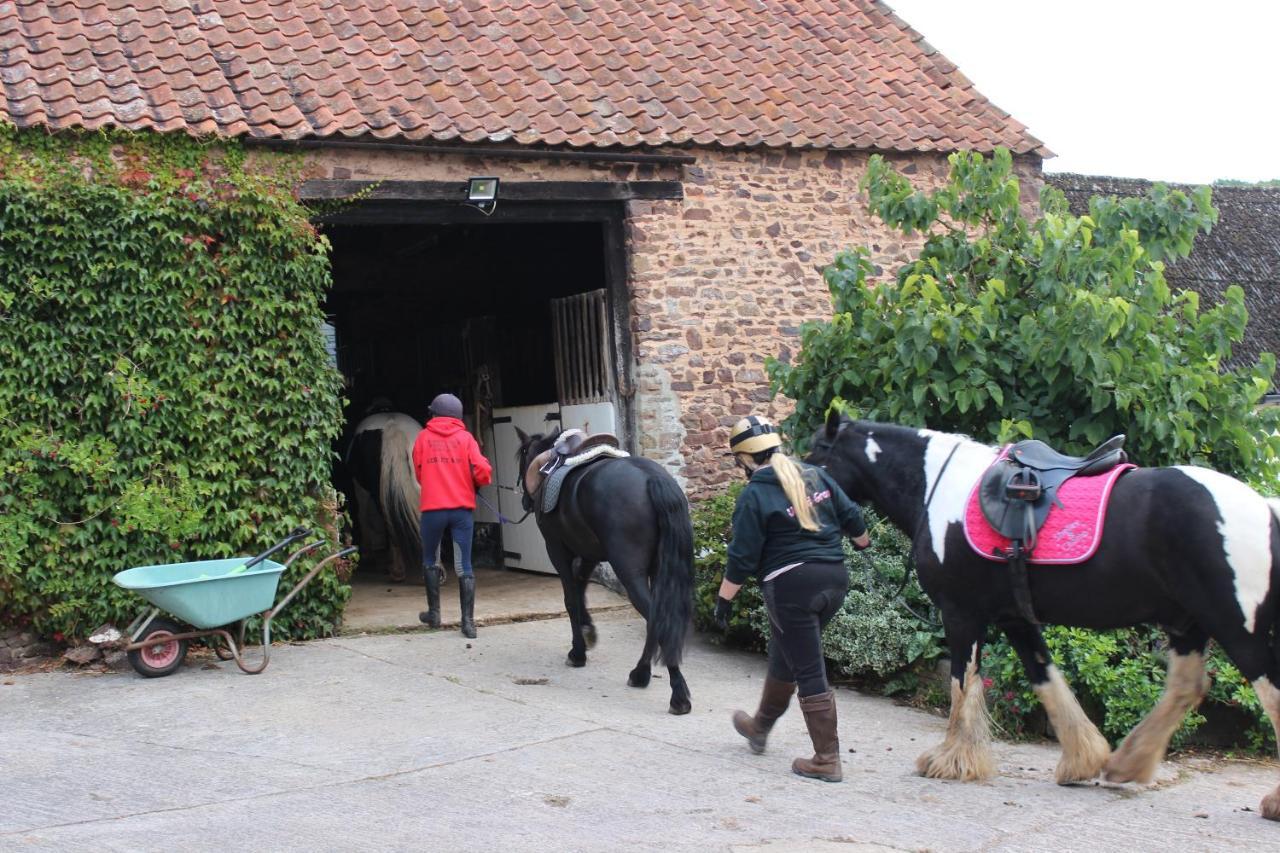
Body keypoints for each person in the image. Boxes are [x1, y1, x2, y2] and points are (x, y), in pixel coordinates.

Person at [715, 414, 870, 782]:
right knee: (787, 653)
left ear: (744, 459)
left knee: (808, 668)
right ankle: (759, 728)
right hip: (834, 580)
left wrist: (724, 601)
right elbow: (851, 516)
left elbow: (742, 557)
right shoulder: (814, 474)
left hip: (791, 588)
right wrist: (864, 543)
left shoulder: (755, 493)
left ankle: (826, 759)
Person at [412, 392, 493, 638]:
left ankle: (434, 614)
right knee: (464, 565)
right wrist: (475, 480)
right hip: (461, 511)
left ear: (434, 414)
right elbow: (483, 471)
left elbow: (418, 472)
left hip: (433, 511)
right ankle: (467, 623)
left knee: (430, 560)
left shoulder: (423, 438)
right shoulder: (466, 438)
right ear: (457, 416)